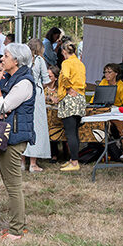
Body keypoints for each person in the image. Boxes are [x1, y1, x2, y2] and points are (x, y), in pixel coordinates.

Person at [0, 43, 37, 240]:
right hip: (9, 135)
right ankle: (20, 224)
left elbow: (1, 106)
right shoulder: (14, 79)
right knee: (11, 184)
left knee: (13, 185)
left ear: (16, 60)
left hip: (13, 137)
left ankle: (17, 230)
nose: (2, 59)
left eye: (6, 55)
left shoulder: (23, 83)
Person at [56, 40, 86, 173]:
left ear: (63, 52)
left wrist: (68, 88)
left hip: (70, 99)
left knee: (70, 133)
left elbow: (65, 77)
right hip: (80, 98)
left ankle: (74, 162)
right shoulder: (80, 63)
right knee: (74, 132)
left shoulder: (66, 62)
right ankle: (73, 159)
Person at [23, 39, 51, 172]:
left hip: (23, 92)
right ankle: (33, 163)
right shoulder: (40, 60)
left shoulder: (22, 59)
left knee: (24, 125)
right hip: (36, 95)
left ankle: (22, 161)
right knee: (37, 127)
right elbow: (46, 80)